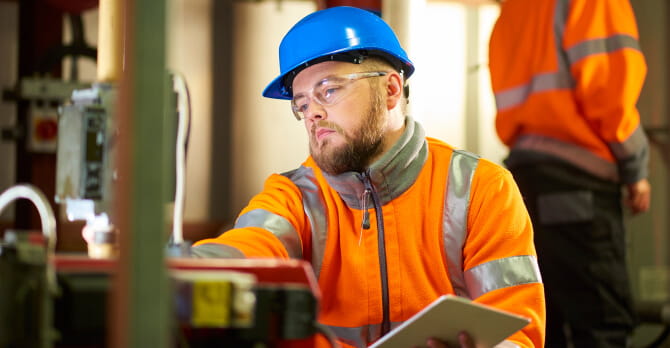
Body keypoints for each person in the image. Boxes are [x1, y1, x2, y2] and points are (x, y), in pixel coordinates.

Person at [193, 6, 545, 348]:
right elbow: (244, 248)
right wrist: (177, 270)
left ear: (391, 90)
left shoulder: (479, 188)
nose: (313, 112)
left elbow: (517, 330)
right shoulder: (294, 197)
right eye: (301, 104)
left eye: (328, 90)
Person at [488, 0, 651, 347]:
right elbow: (609, 95)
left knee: (545, 323)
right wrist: (636, 166)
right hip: (579, 181)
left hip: (524, 182)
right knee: (600, 323)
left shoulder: (513, 11)